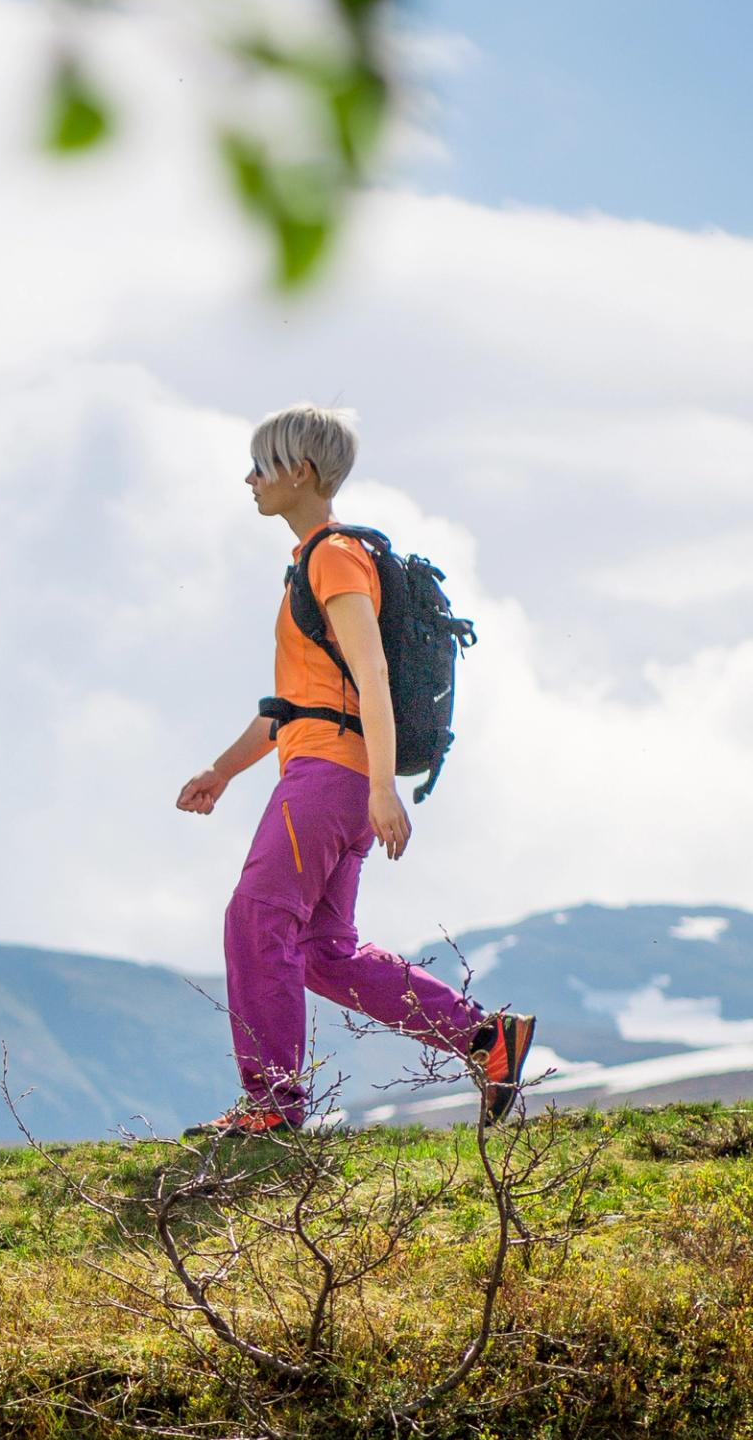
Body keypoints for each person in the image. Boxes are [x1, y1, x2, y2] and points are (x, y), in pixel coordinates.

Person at [175, 404, 535, 1132]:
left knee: (257, 917)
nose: (249, 479)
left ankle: (272, 1107)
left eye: (262, 465)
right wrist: (222, 770)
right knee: (321, 952)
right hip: (327, 775)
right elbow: (291, 709)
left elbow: (371, 673)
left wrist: (379, 789)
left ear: (301, 472)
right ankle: (485, 1038)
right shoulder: (308, 564)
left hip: (332, 782)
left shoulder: (333, 556)